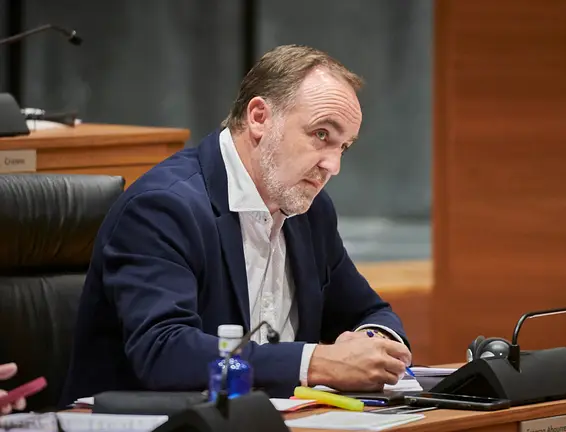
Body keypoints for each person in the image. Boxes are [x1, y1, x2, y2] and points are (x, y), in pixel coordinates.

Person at [60, 44, 412, 406]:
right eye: (322, 134)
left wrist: (372, 346)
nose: (332, 166)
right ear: (259, 117)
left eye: (344, 147)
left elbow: (369, 311)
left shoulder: (311, 212)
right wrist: (316, 362)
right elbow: (164, 351)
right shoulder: (163, 207)